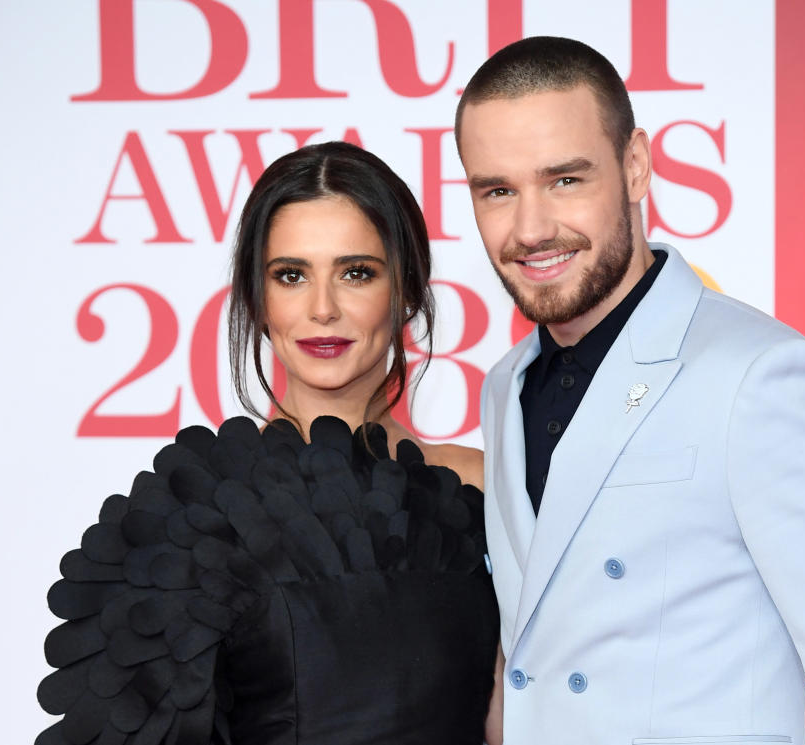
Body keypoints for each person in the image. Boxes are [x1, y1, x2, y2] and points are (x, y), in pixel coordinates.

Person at [455, 36, 805, 744]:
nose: (531, 228)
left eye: (565, 180)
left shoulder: (762, 376)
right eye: (498, 190)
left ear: (636, 166)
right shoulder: (504, 386)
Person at [36, 141, 503, 745]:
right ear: (258, 300)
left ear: (408, 290)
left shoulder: (490, 489)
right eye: (291, 275)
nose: (323, 309)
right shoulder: (191, 519)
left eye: (356, 273)